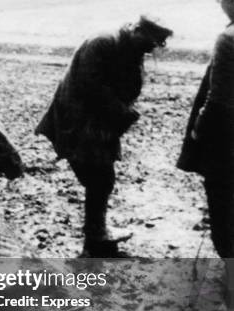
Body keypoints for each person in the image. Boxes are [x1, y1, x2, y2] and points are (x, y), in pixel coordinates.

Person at [36, 16, 173, 257]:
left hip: (98, 123)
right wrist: (123, 113)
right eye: (152, 40)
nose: (153, 48)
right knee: (100, 178)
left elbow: (127, 85)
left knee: (102, 179)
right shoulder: (103, 42)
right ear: (137, 29)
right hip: (78, 122)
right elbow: (91, 87)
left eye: (159, 43)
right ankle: (95, 241)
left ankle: (96, 236)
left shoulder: (129, 47)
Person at [178, 0, 234, 311]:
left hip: (228, 152)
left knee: (228, 233)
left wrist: (198, 133)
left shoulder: (229, 38)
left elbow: (219, 101)